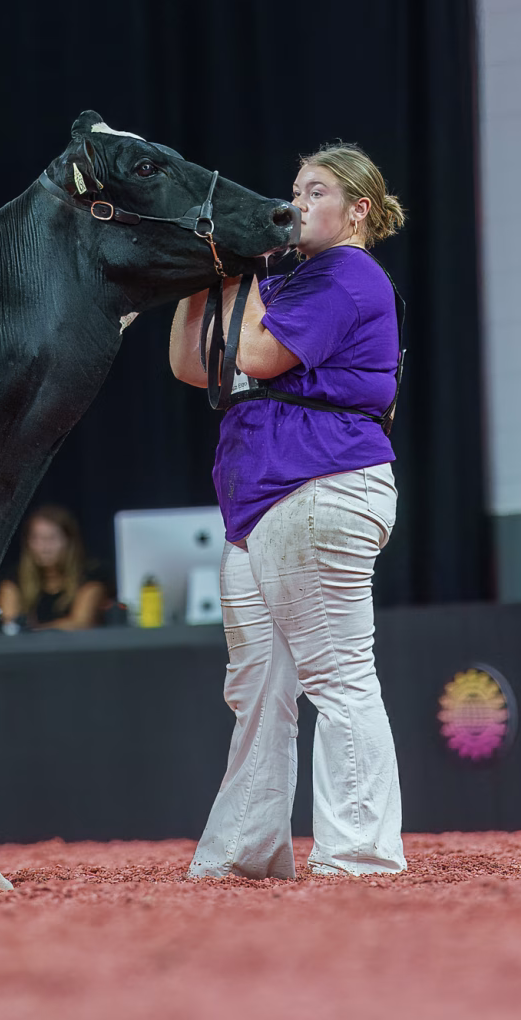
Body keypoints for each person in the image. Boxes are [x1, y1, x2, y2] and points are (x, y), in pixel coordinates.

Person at [168, 142, 407, 878]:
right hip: (264, 502)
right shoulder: (291, 278)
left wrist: (241, 269)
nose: (296, 204)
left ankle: (360, 854)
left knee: (336, 674)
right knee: (258, 689)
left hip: (322, 485)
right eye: (295, 190)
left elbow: (260, 358)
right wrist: (204, 273)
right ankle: (244, 853)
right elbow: (190, 364)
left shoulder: (347, 273)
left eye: (315, 192)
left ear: (358, 210)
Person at [0, 504, 107, 631]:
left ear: (69, 541)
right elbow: (9, 626)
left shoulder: (91, 576)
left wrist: (32, 631)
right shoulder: (14, 579)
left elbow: (80, 623)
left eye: (51, 538)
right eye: (36, 538)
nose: (44, 547)